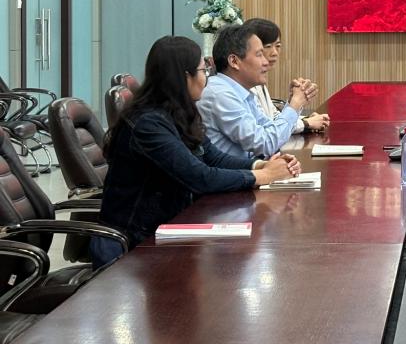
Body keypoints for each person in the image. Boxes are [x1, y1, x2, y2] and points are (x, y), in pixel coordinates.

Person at [93, 36, 299, 267]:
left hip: (166, 229)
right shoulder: (148, 124)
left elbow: (212, 156)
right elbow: (199, 177)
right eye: (203, 71)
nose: (207, 79)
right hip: (134, 245)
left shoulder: (180, 112)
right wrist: (263, 176)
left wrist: (260, 165)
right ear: (185, 77)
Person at [198, 23, 314, 159]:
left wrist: (292, 104)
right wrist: (294, 105)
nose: (266, 62)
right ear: (234, 61)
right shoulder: (220, 94)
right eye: (259, 55)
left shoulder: (241, 90)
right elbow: (265, 144)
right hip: (235, 172)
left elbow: (270, 131)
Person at [247, 18, 330, 134]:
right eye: (268, 46)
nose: (274, 53)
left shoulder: (259, 80)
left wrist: (293, 103)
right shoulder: (247, 83)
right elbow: (267, 131)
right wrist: (306, 123)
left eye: (278, 46)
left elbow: (274, 118)